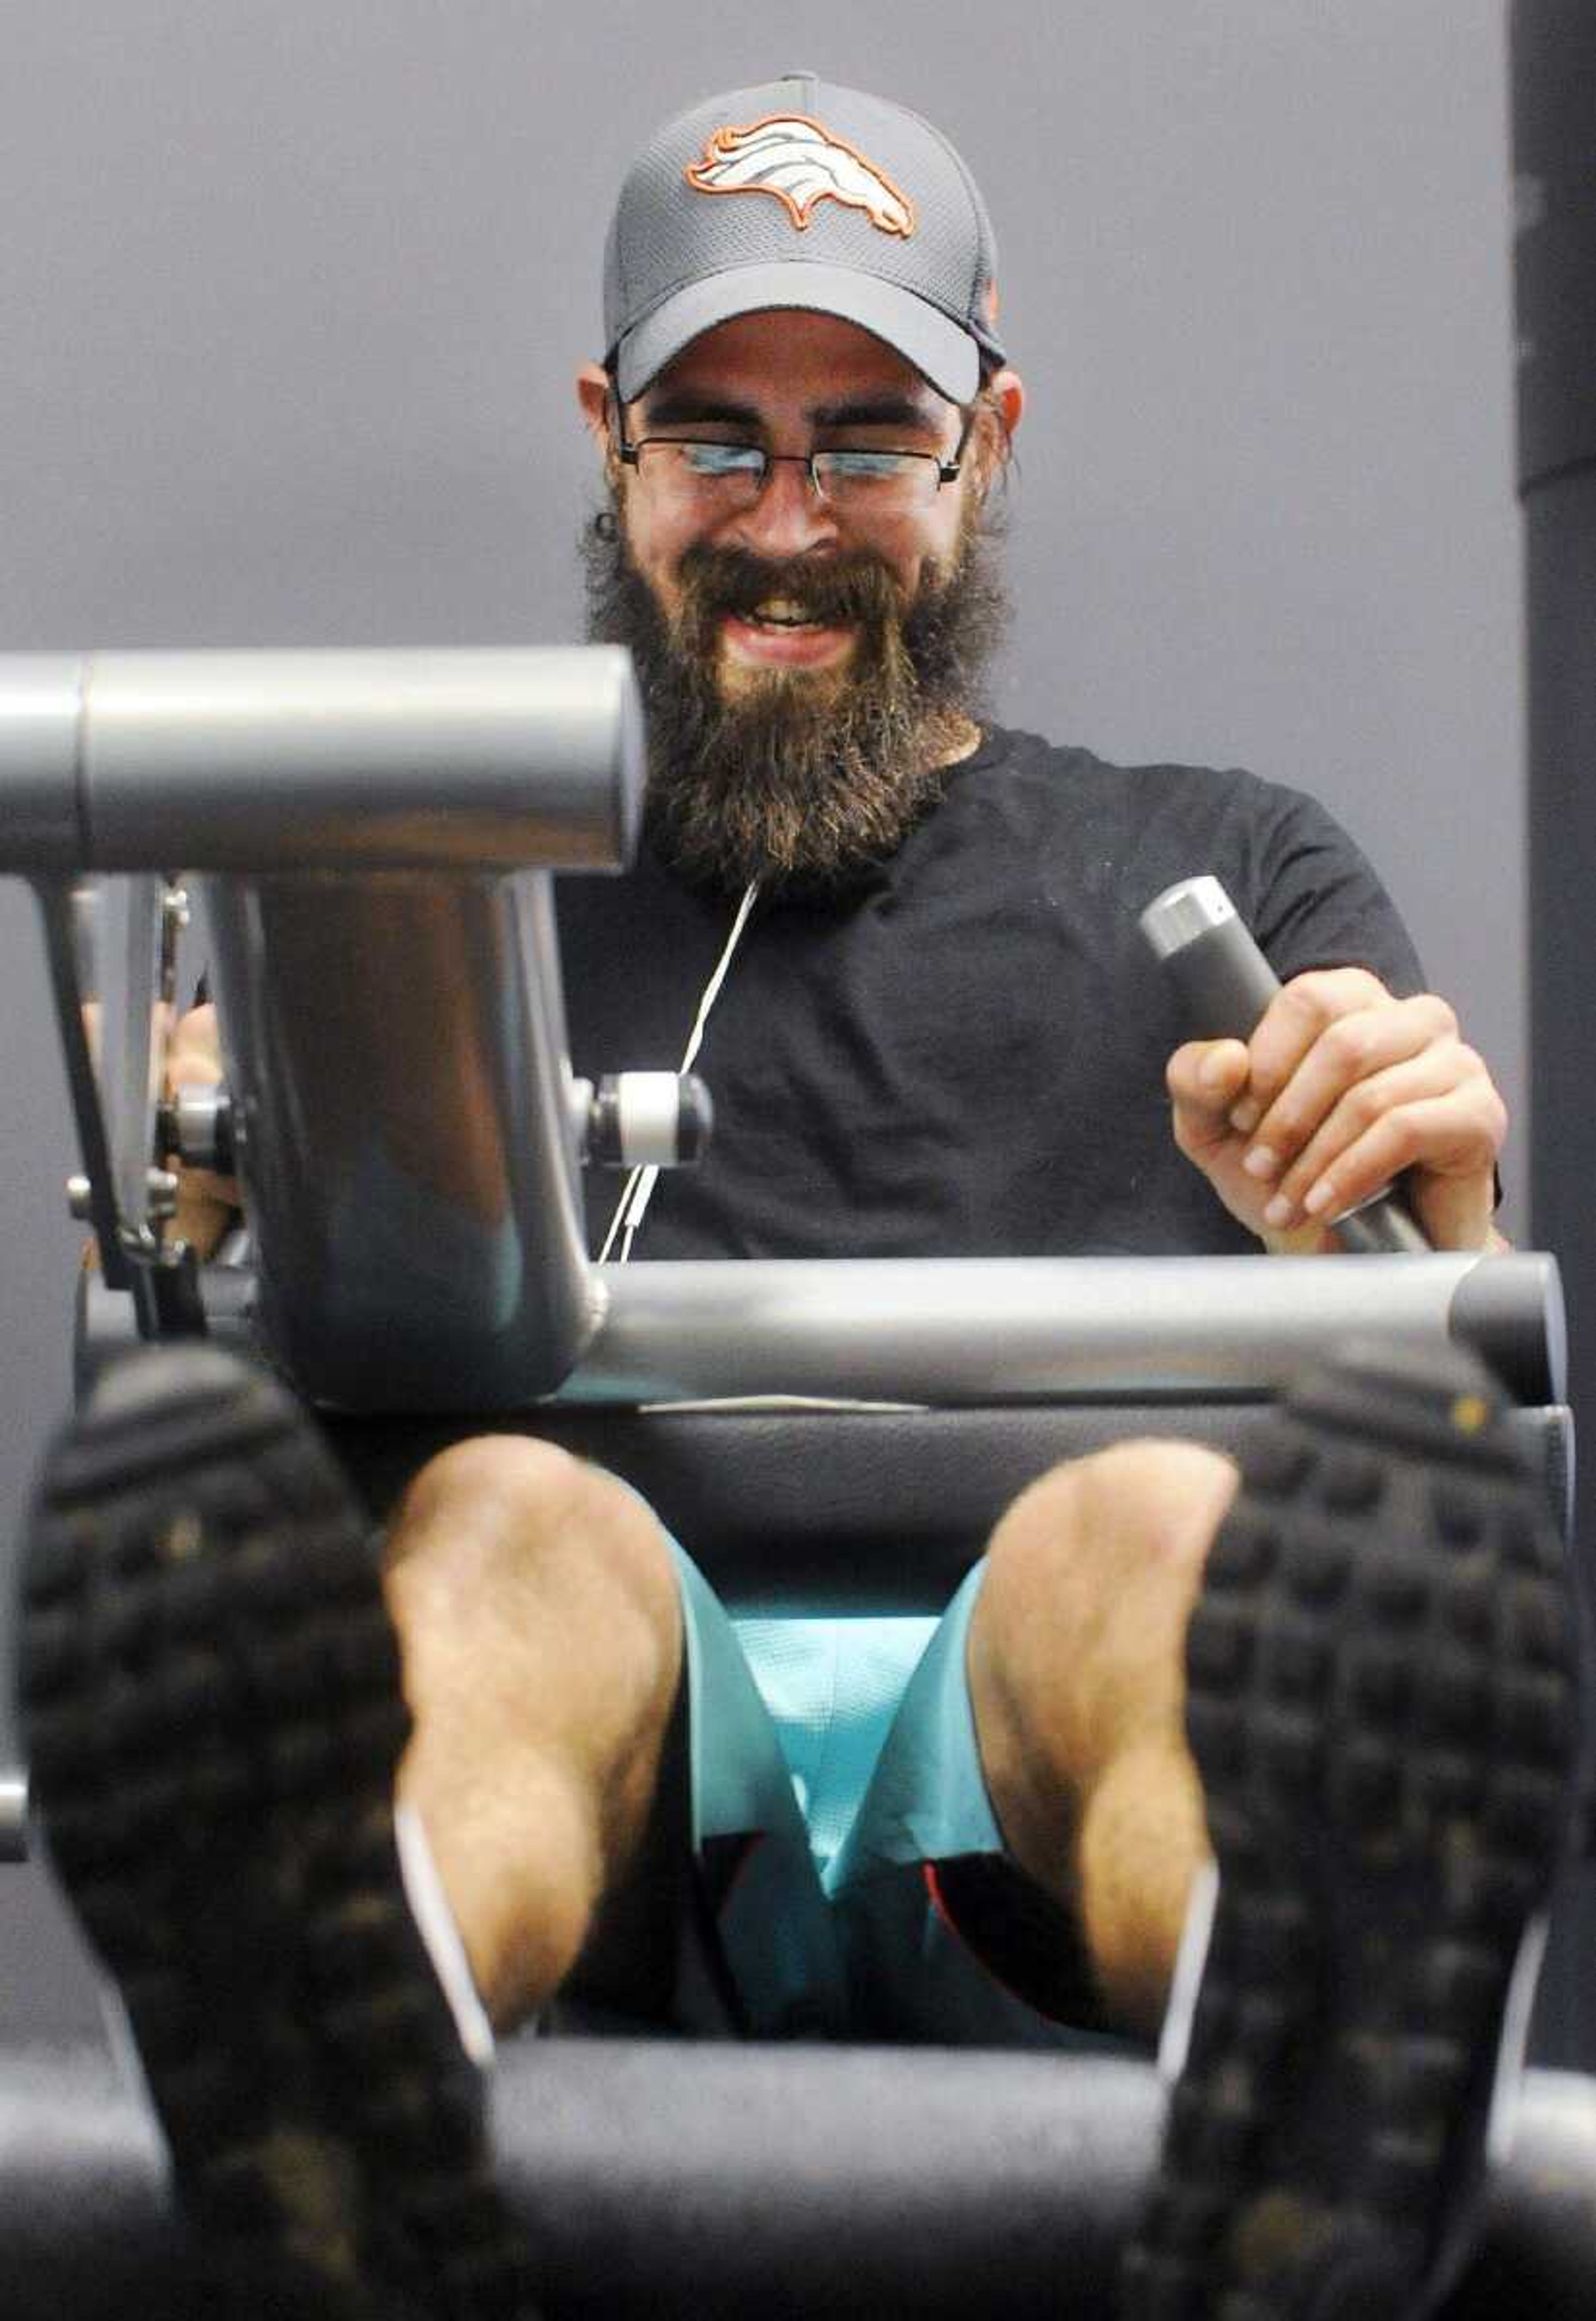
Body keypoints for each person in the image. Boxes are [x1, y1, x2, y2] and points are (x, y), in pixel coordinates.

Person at [18, 71, 1578, 2321]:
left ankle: (1307, 2110)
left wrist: (1427, 1210)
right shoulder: (448, 900)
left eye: (865, 441)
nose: (786, 520)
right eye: (713, 440)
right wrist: (205, 1210)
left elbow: (1462, 1359)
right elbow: (223, 1403)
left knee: (1141, 1523)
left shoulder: (1226, 868)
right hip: (617, 1812)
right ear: (608, 438)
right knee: (516, 1526)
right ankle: (341, 2098)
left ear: (990, 445)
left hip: (1039, 1825)